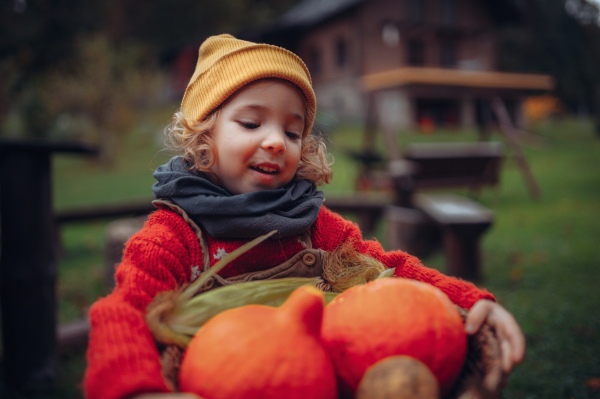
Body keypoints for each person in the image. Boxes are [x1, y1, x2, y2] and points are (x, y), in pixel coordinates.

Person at [83, 34, 525, 399]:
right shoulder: (174, 235)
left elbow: (390, 270)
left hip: (315, 380)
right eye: (252, 124)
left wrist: (470, 300)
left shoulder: (311, 224)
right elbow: (123, 312)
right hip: (223, 380)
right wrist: (138, 391)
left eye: (292, 131)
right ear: (203, 138)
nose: (276, 141)